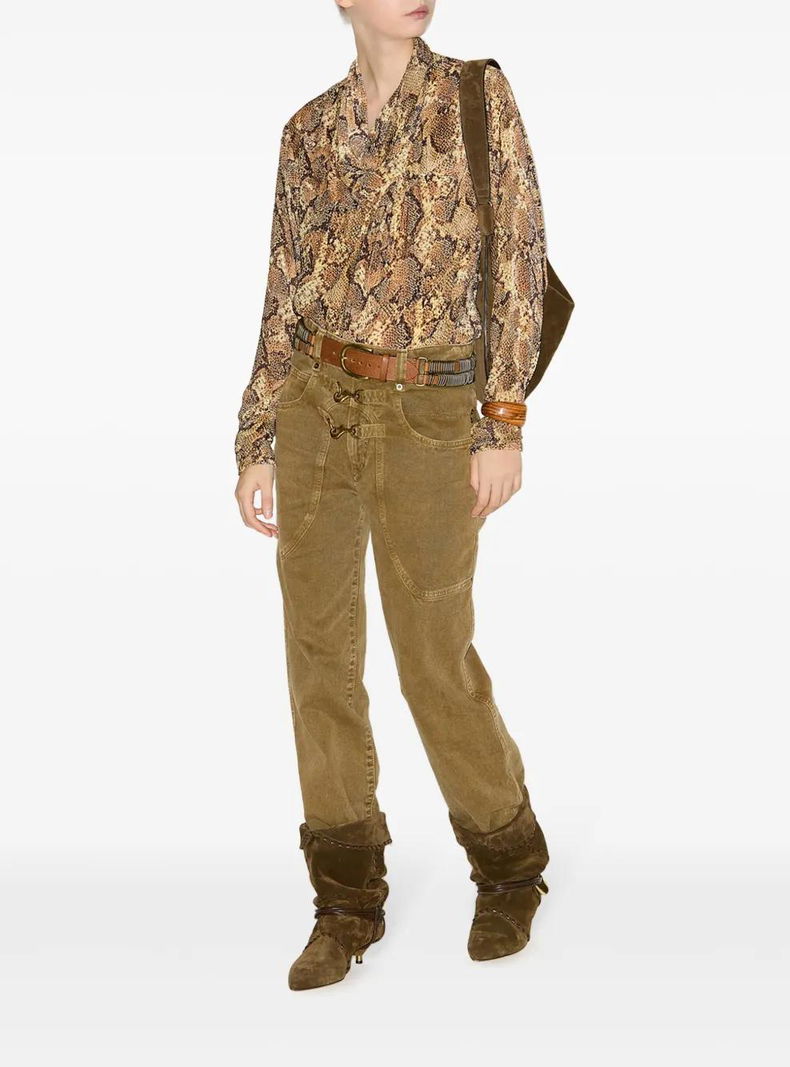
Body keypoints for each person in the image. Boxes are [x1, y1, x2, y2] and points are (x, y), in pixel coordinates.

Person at [234, 0, 550, 991]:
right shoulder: (307, 131)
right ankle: (344, 899)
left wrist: (502, 421)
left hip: (431, 412)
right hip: (316, 410)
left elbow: (517, 259)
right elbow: (283, 293)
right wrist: (257, 437)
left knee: (432, 655)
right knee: (318, 657)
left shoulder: (474, 96)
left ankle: (508, 861)